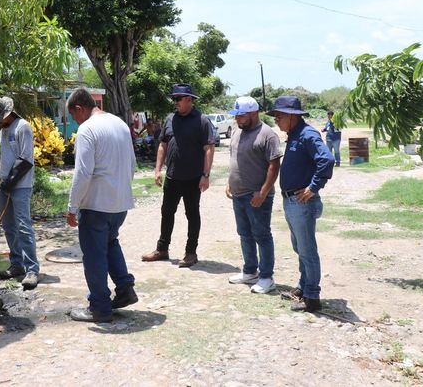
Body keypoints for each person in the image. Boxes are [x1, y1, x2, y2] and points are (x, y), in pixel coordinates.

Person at [65, 88, 138, 323]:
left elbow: (83, 172)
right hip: (120, 203)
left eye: (73, 117)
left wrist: (72, 206)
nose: (75, 122)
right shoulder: (120, 124)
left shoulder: (87, 129)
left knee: (94, 255)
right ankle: (125, 289)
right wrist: (122, 191)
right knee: (110, 243)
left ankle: (99, 307)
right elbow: (132, 165)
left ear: (79, 108)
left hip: (96, 205)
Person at [269, 96, 334, 312]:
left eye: (279, 116)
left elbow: (326, 159)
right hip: (291, 201)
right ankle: (303, 287)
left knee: (307, 249)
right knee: (299, 247)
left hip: (301, 202)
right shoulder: (294, 135)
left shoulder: (307, 135)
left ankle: (312, 297)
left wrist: (313, 187)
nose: (277, 120)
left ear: (291, 116)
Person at [141, 83, 216, 268]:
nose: (175, 102)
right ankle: (162, 249)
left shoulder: (202, 120)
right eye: (174, 98)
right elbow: (163, 145)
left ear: (189, 99)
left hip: (192, 178)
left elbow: (209, 148)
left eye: (178, 99)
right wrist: (158, 169)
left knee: (192, 214)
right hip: (172, 177)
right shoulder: (170, 119)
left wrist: (206, 175)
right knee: (166, 212)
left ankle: (191, 253)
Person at [225, 96, 282, 294]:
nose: (238, 119)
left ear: (253, 113)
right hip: (238, 194)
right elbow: (236, 159)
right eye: (236, 116)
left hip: (257, 196)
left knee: (261, 235)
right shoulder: (237, 133)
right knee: (244, 234)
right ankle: (250, 271)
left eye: (241, 115)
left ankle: (267, 277)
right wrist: (229, 182)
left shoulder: (267, 134)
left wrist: (264, 192)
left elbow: (274, 166)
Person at [0, 96, 39, 290]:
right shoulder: (3, 131)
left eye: (0, 118)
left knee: (23, 226)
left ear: (8, 113)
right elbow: (7, 158)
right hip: (4, 185)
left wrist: (10, 181)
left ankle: (32, 270)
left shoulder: (22, 127)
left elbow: (25, 160)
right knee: (9, 227)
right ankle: (17, 264)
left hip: (21, 185)